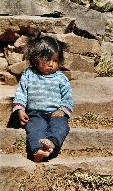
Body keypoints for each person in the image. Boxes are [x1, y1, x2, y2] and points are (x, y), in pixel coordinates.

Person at [12, 34, 73, 162]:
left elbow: (67, 98)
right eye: (47, 59)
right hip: (35, 114)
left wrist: (62, 111)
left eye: (55, 60)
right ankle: (38, 150)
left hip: (54, 114)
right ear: (35, 58)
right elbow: (21, 94)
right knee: (34, 128)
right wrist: (20, 110)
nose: (51, 64)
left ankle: (51, 143)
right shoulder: (28, 74)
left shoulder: (61, 78)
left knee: (61, 126)